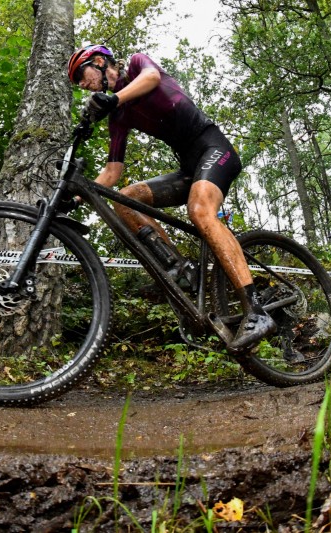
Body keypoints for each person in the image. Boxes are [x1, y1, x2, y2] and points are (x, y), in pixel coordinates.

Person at [67, 44, 274, 350]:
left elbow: (151, 78)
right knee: (125, 198)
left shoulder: (137, 66)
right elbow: (111, 174)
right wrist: (74, 199)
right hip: (189, 168)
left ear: (99, 62)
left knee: (200, 210)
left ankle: (256, 310)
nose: (82, 85)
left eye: (81, 76)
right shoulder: (118, 116)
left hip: (215, 149)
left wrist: (112, 99)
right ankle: (182, 269)